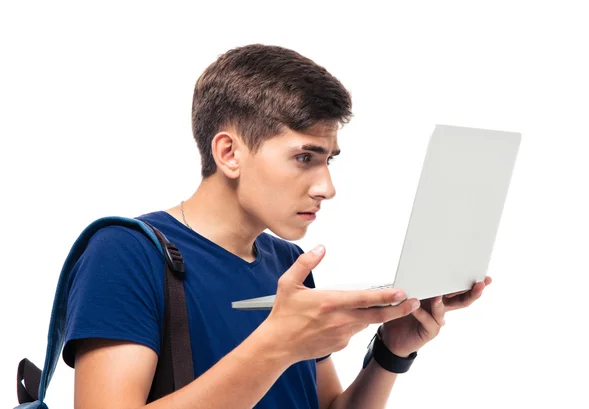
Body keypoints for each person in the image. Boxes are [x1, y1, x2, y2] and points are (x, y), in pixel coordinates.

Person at [64, 44, 491, 409]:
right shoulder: (125, 252)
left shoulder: (288, 263)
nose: (327, 187)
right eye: (305, 157)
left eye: (329, 160)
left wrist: (391, 351)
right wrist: (278, 344)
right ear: (229, 153)